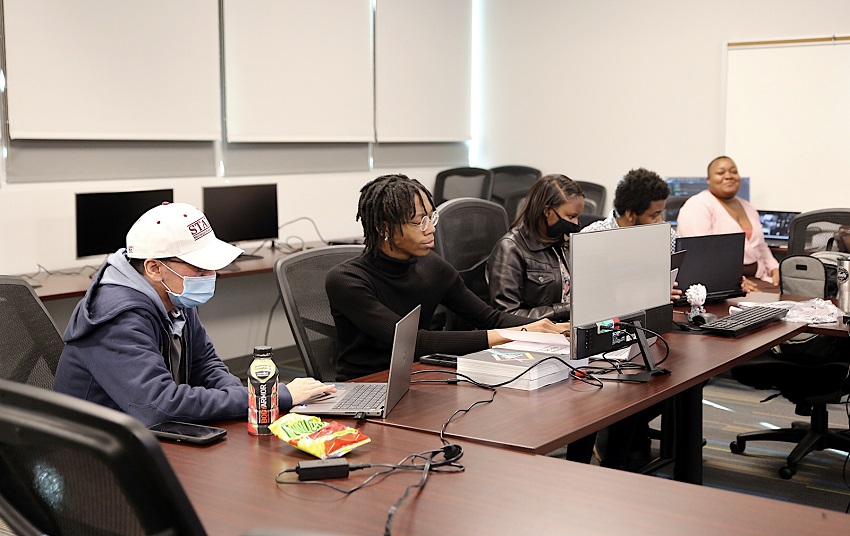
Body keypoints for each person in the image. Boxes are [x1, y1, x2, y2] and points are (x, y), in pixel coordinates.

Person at [54, 202, 335, 426]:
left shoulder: (175, 296)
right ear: (154, 268)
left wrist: (252, 404)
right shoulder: (116, 317)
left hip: (143, 435)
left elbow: (206, 366)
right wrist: (270, 396)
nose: (211, 276)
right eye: (199, 267)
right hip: (91, 454)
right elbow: (158, 405)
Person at [325, 173, 569, 382]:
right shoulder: (347, 280)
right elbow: (413, 342)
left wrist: (545, 328)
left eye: (431, 217)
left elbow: (488, 318)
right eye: (417, 222)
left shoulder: (431, 266)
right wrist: (519, 333)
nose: (430, 228)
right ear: (384, 227)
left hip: (420, 377)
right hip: (366, 386)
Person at [487, 174, 584, 321]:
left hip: (565, 328)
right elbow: (507, 315)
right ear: (547, 211)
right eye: (571, 217)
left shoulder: (561, 243)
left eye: (578, 217)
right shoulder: (510, 249)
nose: (576, 224)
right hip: (539, 336)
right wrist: (565, 310)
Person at [676, 156, 779, 291]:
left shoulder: (748, 207)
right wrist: (734, 281)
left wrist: (775, 268)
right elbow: (700, 254)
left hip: (759, 278)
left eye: (733, 171)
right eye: (720, 172)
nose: (729, 176)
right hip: (722, 285)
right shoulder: (697, 205)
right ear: (708, 179)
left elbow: (761, 246)